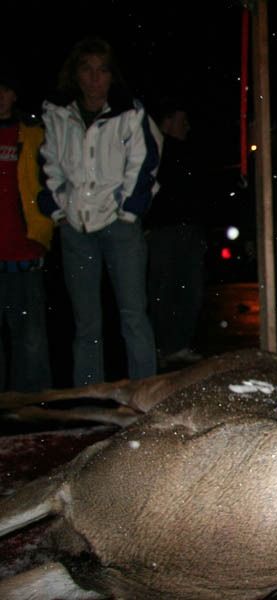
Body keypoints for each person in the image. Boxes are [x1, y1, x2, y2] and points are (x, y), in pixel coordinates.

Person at [38, 37, 161, 386]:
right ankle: (89, 395)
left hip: (120, 225)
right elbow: (48, 165)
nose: (94, 79)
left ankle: (145, 394)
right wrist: (60, 211)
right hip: (76, 227)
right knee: (86, 322)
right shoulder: (58, 114)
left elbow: (145, 163)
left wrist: (128, 211)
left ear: (111, 75)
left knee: (133, 315)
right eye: (87, 70)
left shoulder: (129, 113)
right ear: (75, 74)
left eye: (102, 70)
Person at [0, 73, 54, 392]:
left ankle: (31, 404)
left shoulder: (34, 135)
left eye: (5, 89)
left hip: (26, 249)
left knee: (31, 337)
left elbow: (52, 183)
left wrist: (45, 227)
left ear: (15, 94)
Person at [145, 99, 205, 368]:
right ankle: (162, 347)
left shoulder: (189, 151)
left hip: (188, 229)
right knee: (163, 289)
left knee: (189, 288)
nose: (187, 126)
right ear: (167, 122)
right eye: (182, 120)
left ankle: (178, 345)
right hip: (162, 230)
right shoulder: (154, 149)